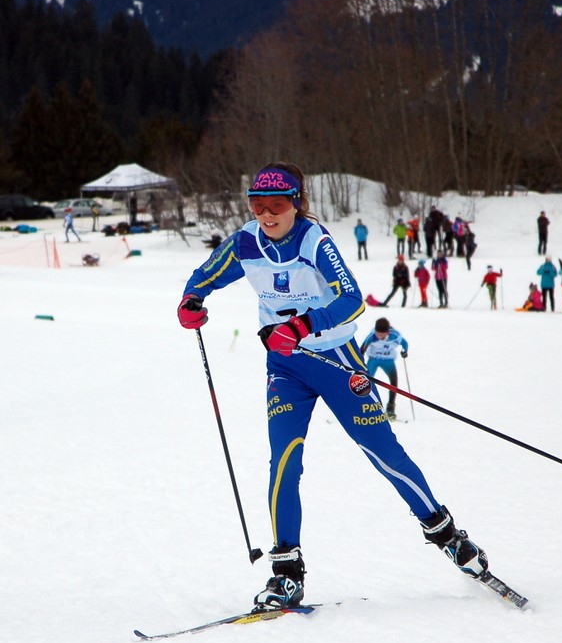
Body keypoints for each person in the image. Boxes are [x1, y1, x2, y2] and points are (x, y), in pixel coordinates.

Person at [176, 162, 489, 610]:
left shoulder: (313, 240)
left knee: (384, 453)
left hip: (337, 360)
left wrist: (304, 325)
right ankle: (286, 573)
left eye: (277, 205)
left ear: (297, 202)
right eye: (258, 205)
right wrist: (191, 299)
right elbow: (209, 273)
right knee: (283, 462)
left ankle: (449, 537)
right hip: (285, 368)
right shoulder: (247, 240)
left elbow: (351, 299)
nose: (267, 214)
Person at [360, 317, 409, 419]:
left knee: (394, 384)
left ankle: (390, 409)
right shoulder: (372, 336)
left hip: (388, 361)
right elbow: (362, 348)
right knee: (366, 383)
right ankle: (364, 407)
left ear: (387, 332)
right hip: (373, 360)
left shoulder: (394, 336)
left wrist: (404, 352)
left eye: (382, 335)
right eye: (378, 334)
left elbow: (405, 344)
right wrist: (359, 362)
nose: (379, 337)